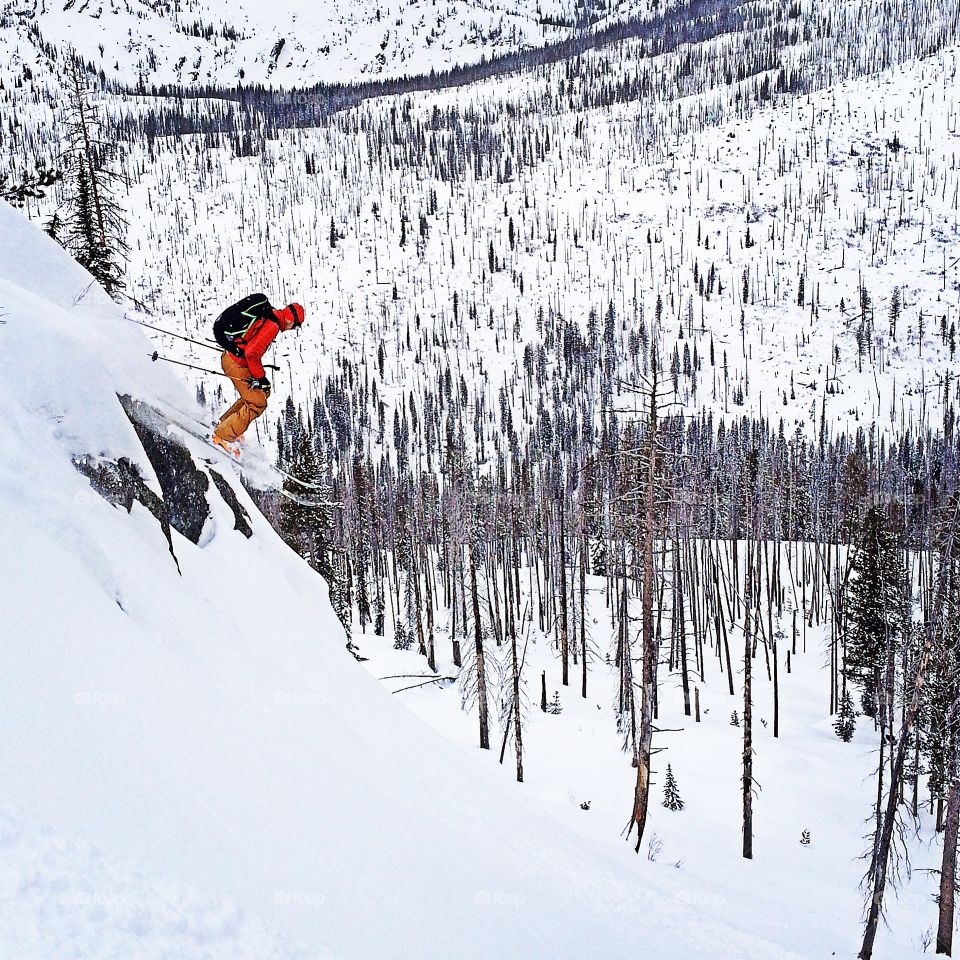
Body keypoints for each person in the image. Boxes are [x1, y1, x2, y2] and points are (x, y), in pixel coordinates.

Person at [211, 294, 305, 455]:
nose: (292, 329)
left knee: (262, 393)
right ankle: (223, 436)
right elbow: (252, 354)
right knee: (257, 403)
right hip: (236, 363)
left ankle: (227, 424)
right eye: (295, 326)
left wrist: (262, 380)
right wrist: (261, 377)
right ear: (290, 321)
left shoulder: (270, 314)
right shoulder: (273, 326)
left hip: (233, 359)